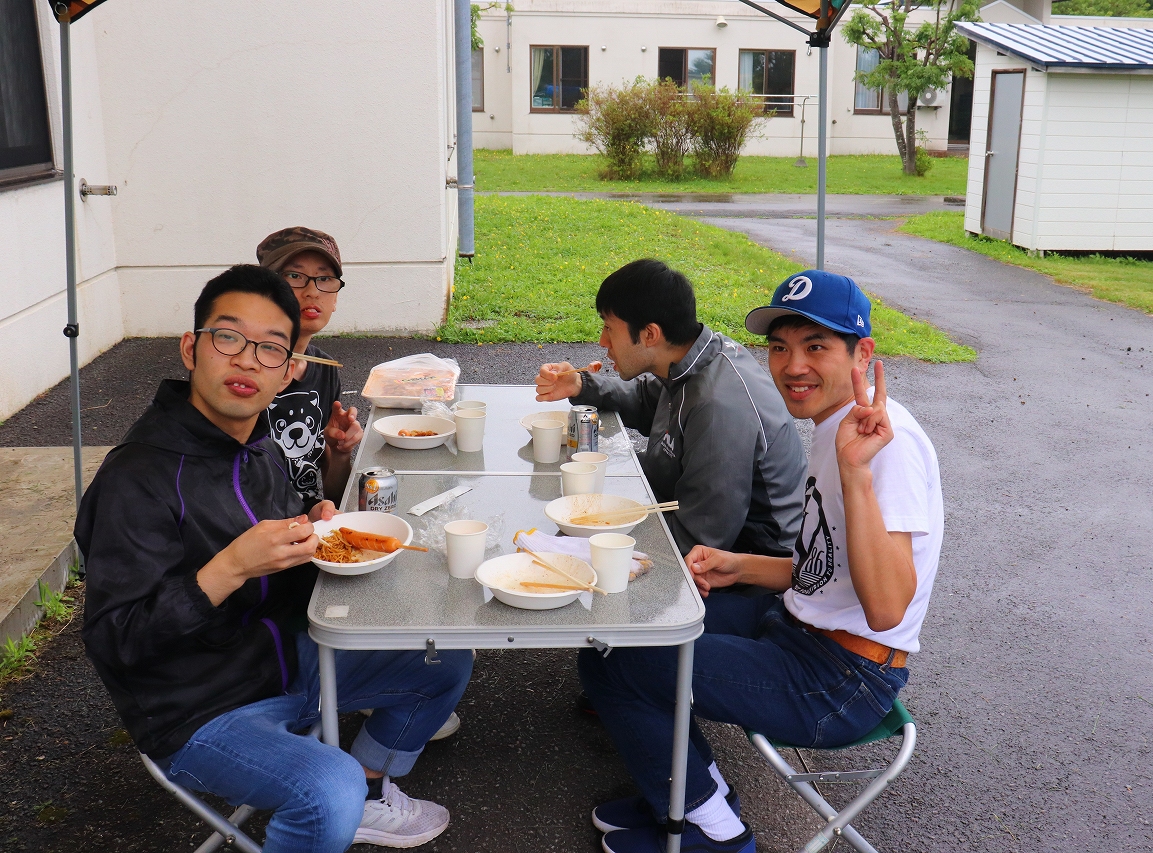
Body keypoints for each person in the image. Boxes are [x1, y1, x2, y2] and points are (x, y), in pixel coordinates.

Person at [77, 266, 473, 852]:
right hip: (194, 711)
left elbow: (287, 549)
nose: (246, 361)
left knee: (441, 660)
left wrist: (317, 532)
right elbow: (117, 641)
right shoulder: (136, 479)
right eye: (228, 337)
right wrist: (228, 569)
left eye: (270, 348)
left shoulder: (257, 445)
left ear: (291, 369)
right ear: (192, 347)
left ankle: (367, 790)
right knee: (322, 786)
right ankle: (341, 795)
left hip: (284, 660)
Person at [578, 270, 944, 853]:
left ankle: (711, 831)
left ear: (863, 353)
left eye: (816, 347)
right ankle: (683, 797)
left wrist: (855, 471)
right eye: (780, 347)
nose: (793, 366)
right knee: (612, 642)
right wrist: (740, 565)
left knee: (631, 664)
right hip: (795, 628)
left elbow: (886, 608)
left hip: (841, 679)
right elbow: (821, 570)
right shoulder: (831, 426)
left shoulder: (883, 447)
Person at [536, 258, 806, 559]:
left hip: (753, 565)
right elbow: (645, 399)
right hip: (685, 511)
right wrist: (580, 384)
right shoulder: (693, 358)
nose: (602, 341)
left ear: (650, 334)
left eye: (609, 328)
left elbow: (699, 539)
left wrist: (584, 546)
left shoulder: (718, 407)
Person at [256, 226, 363, 504]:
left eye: (325, 279)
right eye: (294, 276)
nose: (313, 291)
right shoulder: (245, 368)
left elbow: (331, 495)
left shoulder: (325, 369)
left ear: (336, 298)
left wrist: (339, 451)